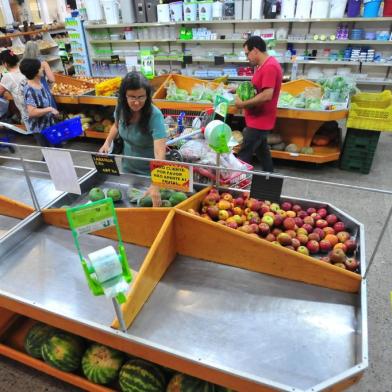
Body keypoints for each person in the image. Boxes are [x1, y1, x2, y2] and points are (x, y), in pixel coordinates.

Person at [99, 72, 167, 207]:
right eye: (132, 97)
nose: (136, 102)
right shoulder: (121, 108)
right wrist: (107, 142)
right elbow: (117, 125)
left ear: (147, 96)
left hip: (149, 173)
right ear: (124, 96)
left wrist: (156, 183)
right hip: (127, 168)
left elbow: (160, 153)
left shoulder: (155, 115)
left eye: (141, 97)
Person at [235, 36, 283, 173]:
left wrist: (242, 104)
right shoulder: (261, 66)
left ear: (255, 50)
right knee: (263, 153)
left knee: (244, 155)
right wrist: (237, 90)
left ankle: (236, 187)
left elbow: (267, 95)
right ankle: (270, 180)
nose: (247, 57)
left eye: (247, 54)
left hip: (260, 121)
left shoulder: (270, 67)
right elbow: (256, 88)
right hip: (258, 119)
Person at [19, 58, 59, 147]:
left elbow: (52, 81)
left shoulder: (40, 84)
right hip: (40, 129)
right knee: (50, 153)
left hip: (49, 125)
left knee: (56, 151)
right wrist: (50, 109)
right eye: (40, 68)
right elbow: (32, 112)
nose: (42, 69)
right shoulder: (30, 89)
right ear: (36, 72)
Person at [23, 41, 56, 107]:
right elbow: (52, 79)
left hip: (29, 89)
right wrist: (48, 83)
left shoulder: (23, 64)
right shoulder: (43, 63)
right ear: (37, 50)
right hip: (43, 87)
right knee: (49, 111)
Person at [0, 49, 28, 126]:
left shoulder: (7, 76)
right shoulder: (24, 68)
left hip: (27, 112)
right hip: (36, 105)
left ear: (5, 64)